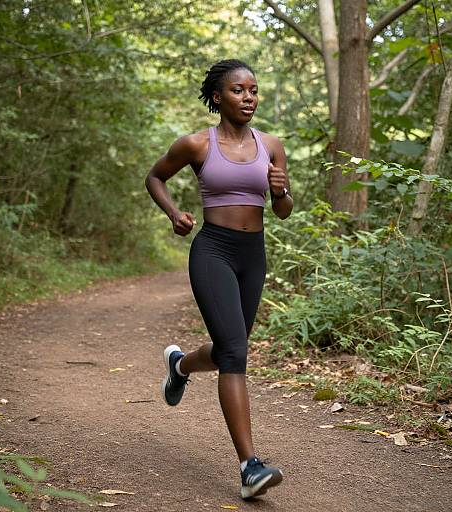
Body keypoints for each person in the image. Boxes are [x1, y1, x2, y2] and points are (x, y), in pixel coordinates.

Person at [145, 59, 293, 500]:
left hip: (254, 254)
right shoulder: (196, 145)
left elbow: (283, 211)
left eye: (253, 90)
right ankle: (250, 467)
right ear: (217, 97)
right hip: (213, 251)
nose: (249, 97)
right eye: (238, 90)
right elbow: (155, 177)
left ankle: (181, 365)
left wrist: (281, 190)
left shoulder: (272, 145)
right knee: (234, 353)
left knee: (232, 346)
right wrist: (175, 213)